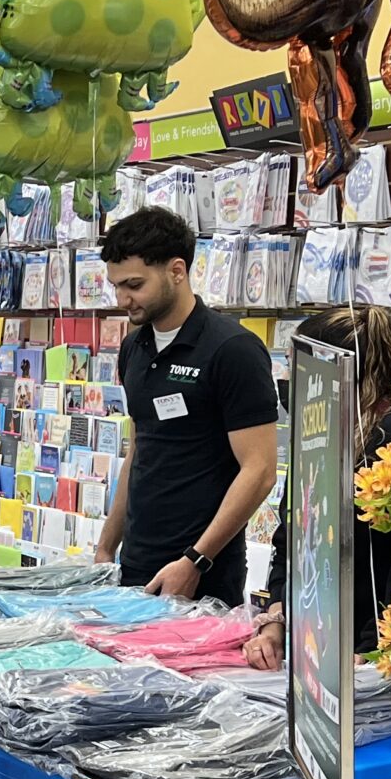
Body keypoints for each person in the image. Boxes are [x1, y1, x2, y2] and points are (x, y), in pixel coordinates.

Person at [248, 303, 391, 669]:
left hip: (374, 662)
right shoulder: (322, 433)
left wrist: (375, 648)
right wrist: (276, 618)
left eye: (295, 365)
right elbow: (291, 538)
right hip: (314, 653)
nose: (288, 379)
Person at [94, 207, 280, 604]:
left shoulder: (233, 350)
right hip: (136, 561)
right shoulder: (134, 346)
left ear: (177, 271)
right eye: (116, 286)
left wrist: (196, 559)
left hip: (202, 571)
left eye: (134, 284)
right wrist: (106, 547)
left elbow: (260, 471)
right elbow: (141, 447)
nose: (122, 299)